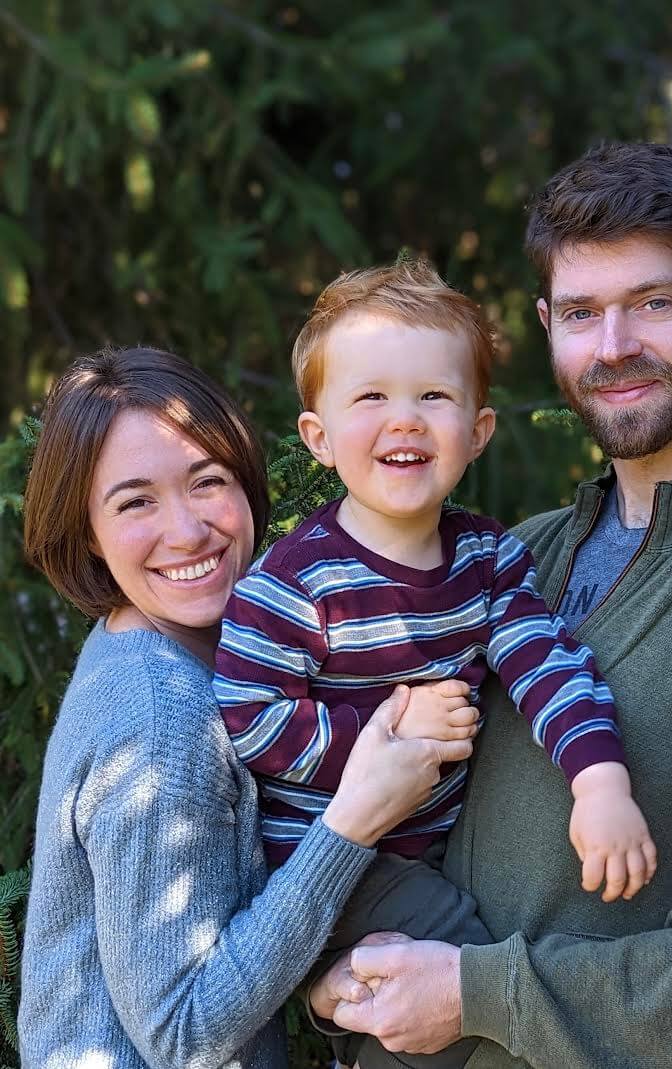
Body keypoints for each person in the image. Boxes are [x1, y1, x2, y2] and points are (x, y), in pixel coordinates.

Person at [311, 142, 672, 1068]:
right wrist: (338, 965)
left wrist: (480, 994)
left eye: (654, 302)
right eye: (582, 312)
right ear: (547, 323)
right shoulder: (511, 557)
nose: (612, 346)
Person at [214, 262, 656, 1067]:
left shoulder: (487, 558)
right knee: (469, 984)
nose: (404, 420)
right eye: (371, 397)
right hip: (328, 863)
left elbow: (546, 664)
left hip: (432, 850)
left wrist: (600, 781)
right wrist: (390, 734)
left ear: (477, 430)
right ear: (318, 436)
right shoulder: (295, 580)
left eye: (433, 396)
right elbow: (250, 714)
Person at [17, 346, 473, 1068]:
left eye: (207, 481)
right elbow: (183, 1032)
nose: (188, 530)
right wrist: (353, 819)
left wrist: (317, 986)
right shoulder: (162, 717)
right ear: (88, 535)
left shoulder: (167, 646)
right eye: (135, 501)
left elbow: (214, 940)